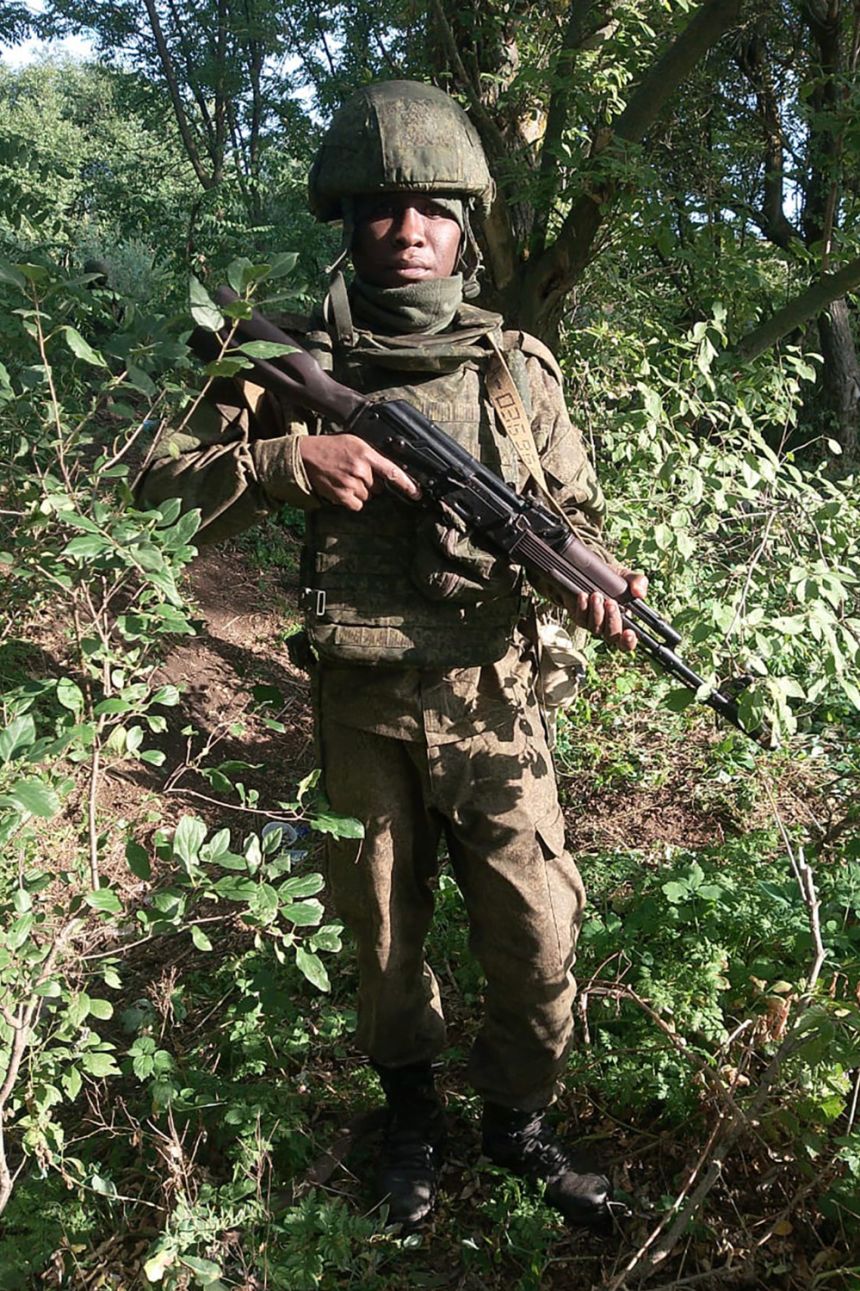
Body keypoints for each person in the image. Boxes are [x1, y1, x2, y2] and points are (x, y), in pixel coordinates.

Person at [137, 79, 646, 1230]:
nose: (408, 228)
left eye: (431, 208)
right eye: (381, 207)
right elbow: (151, 498)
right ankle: (408, 1115)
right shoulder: (274, 359)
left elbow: (566, 514)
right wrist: (285, 462)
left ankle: (516, 1123)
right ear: (348, 221)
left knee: (535, 933)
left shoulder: (513, 366)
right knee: (376, 937)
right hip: (359, 702)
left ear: (464, 227)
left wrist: (597, 577)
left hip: (492, 701)